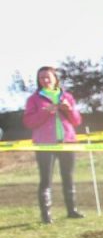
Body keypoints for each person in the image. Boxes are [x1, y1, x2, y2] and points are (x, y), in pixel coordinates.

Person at [22, 66, 85, 223]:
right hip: (45, 144)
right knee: (46, 179)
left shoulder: (67, 96)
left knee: (68, 177)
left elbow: (77, 121)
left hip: (67, 142)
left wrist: (69, 109)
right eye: (41, 77)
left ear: (55, 78)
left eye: (48, 76)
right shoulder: (33, 99)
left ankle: (72, 210)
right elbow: (28, 122)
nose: (45, 80)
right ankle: (46, 215)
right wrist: (46, 111)